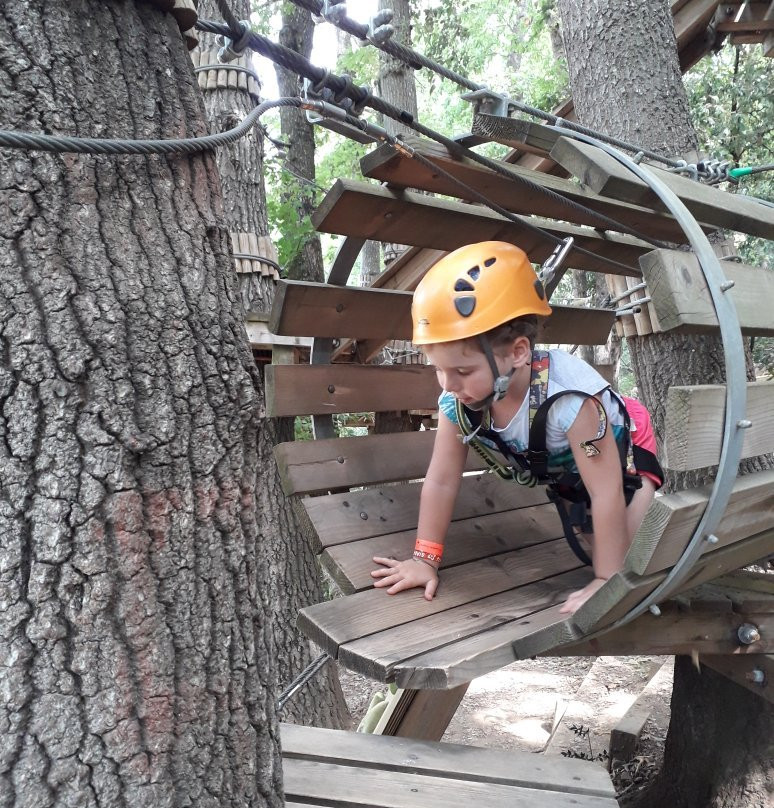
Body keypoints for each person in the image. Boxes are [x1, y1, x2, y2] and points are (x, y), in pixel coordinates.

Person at [371, 241, 663, 614]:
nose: (447, 384)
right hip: (570, 473)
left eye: (462, 371)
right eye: (438, 369)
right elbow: (442, 479)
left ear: (519, 352)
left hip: (624, 454)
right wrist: (425, 560)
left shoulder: (572, 400)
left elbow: (605, 489)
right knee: (601, 549)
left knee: (628, 567)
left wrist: (606, 581)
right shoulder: (458, 402)